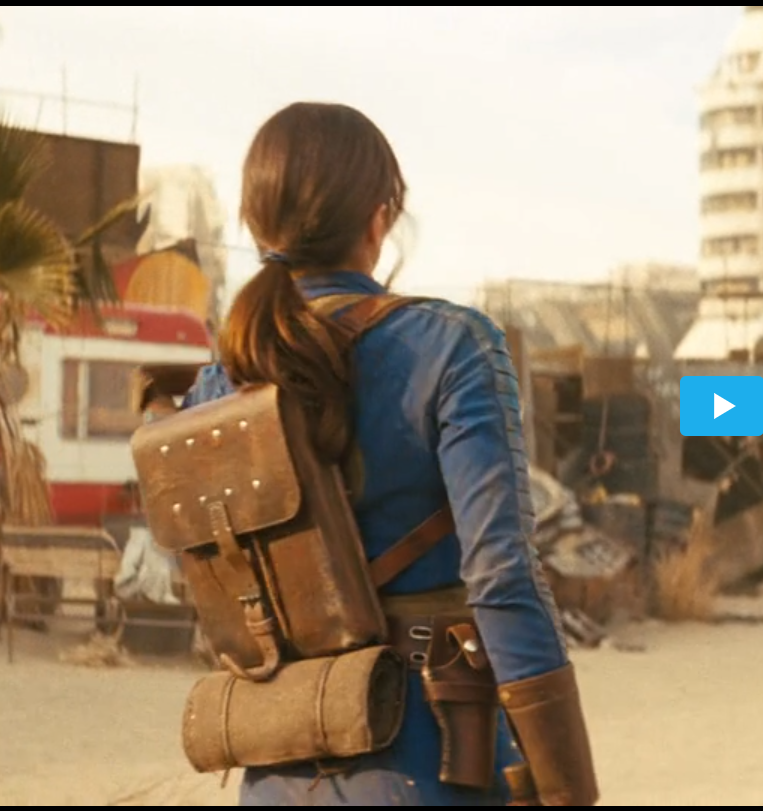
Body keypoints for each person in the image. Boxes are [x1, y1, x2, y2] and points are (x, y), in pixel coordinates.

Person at [180, 102, 592, 806]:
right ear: (379, 218)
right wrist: (567, 786)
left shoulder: (217, 384)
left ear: (256, 222)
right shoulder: (454, 345)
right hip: (431, 756)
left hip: (277, 763)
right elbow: (502, 576)